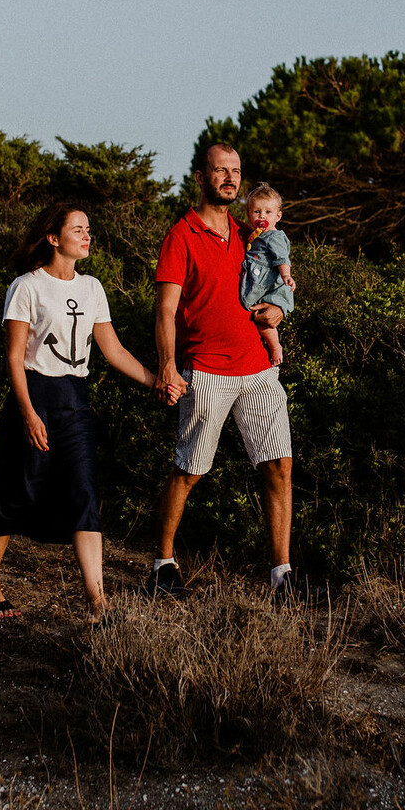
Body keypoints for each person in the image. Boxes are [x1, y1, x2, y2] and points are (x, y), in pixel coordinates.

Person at [0, 203, 159, 623]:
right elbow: (15, 357)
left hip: (75, 400)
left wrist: (156, 381)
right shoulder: (27, 287)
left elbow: (112, 351)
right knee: (15, 487)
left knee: (85, 494)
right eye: (78, 229)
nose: (87, 235)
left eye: (88, 229)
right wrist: (27, 413)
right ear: (53, 238)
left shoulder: (92, 288)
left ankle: (98, 603)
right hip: (35, 394)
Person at [147, 143, 306, 603]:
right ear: (201, 178)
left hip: (258, 369)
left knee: (280, 465)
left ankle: (282, 575)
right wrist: (167, 366)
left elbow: (276, 281)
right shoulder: (182, 235)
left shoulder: (248, 233)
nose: (230, 179)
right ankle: (162, 565)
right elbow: (166, 309)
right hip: (207, 371)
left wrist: (278, 309)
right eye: (221, 171)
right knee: (190, 469)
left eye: (236, 172)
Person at [240, 183, 295, 367]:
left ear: (278, 216)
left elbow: (282, 258)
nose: (262, 216)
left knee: (264, 322)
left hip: (270, 286)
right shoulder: (255, 236)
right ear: (249, 214)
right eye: (257, 212)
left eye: (268, 212)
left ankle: (275, 347)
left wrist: (286, 275)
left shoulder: (275, 236)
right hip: (260, 280)